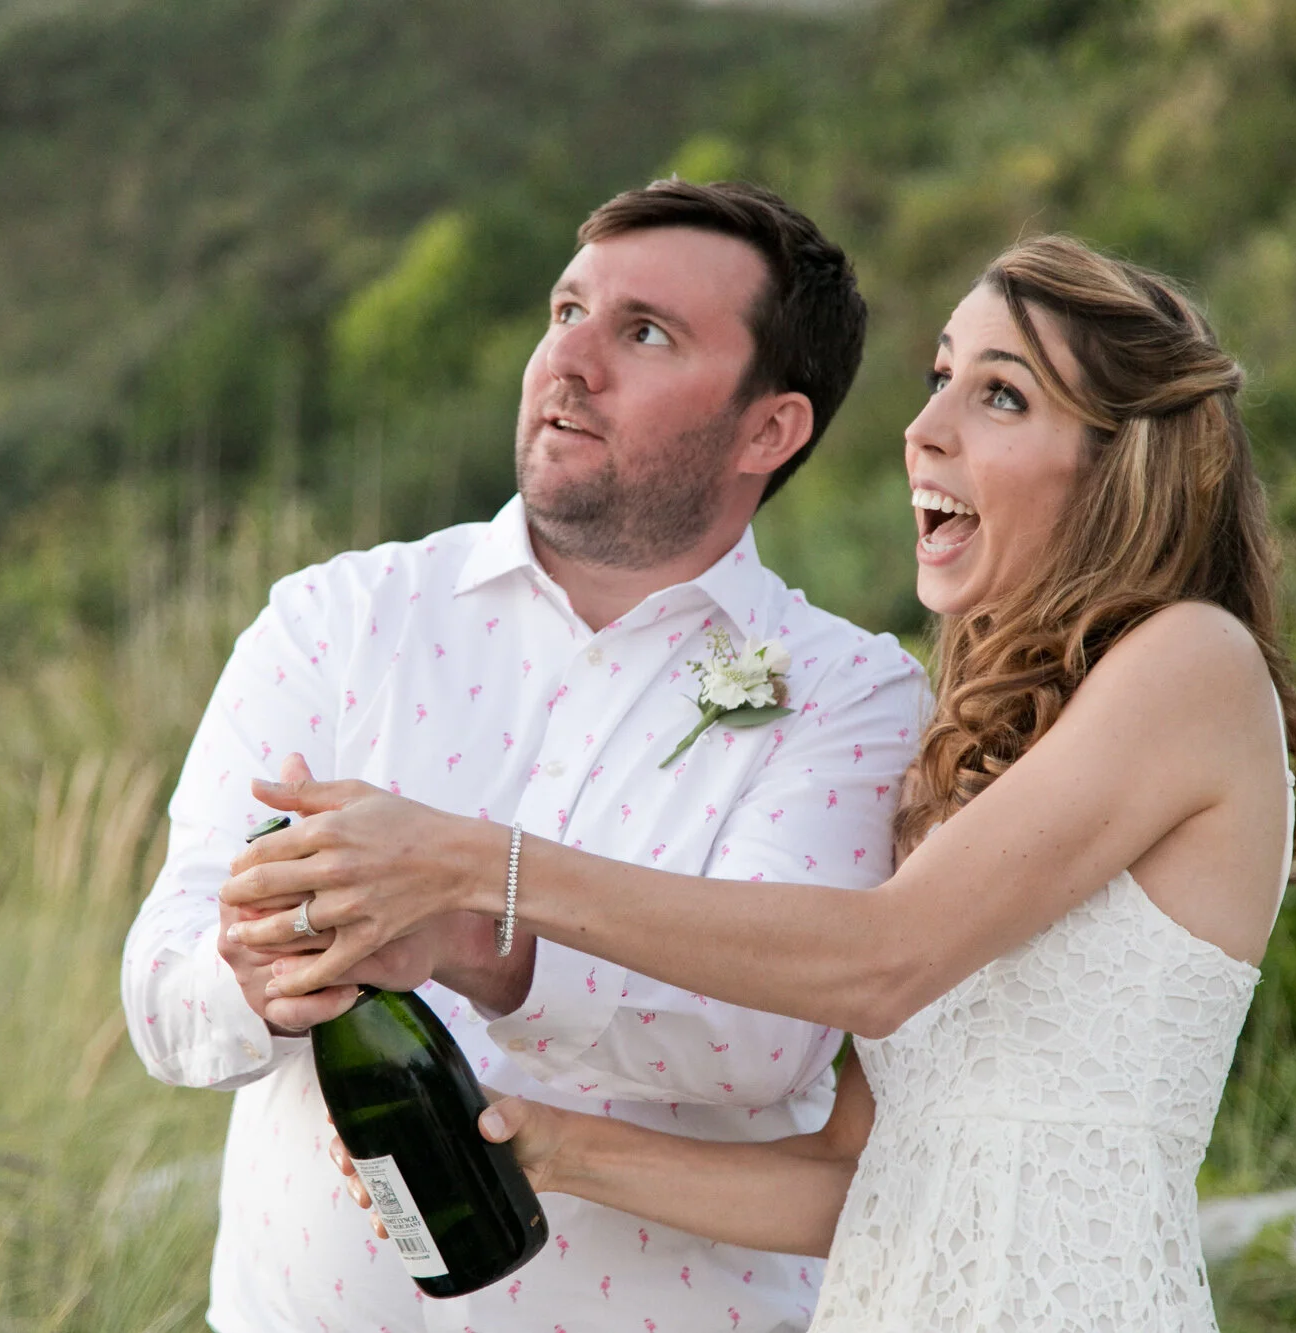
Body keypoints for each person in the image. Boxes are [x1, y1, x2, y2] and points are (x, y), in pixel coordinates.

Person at [227, 234, 1296, 1331]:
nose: (923, 430)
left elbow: (880, 960)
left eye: (1000, 396)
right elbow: (851, 1176)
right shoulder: (981, 753)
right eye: (937, 379)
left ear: (1123, 463)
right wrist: (542, 1147)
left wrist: (478, 866)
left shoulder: (1191, 663)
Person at [120, 178, 930, 1333]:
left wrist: (471, 938)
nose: (571, 362)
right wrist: (255, 973)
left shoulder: (850, 694)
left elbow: (762, 1040)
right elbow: (161, 993)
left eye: (642, 333)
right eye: (565, 312)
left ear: (769, 427)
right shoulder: (336, 618)